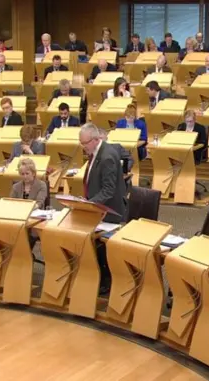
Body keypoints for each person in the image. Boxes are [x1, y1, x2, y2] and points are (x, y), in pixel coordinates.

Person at [80, 123, 128, 293]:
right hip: (99, 208)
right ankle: (98, 275)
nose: (83, 147)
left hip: (110, 212)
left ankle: (106, 280)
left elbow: (108, 190)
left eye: (84, 143)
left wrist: (89, 203)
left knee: (101, 245)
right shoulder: (97, 152)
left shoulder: (107, 156)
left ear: (95, 140)